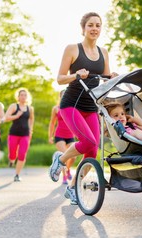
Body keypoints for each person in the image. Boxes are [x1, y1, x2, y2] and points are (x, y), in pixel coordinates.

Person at [49, 12, 118, 205]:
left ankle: (72, 188)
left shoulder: (103, 52)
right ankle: (60, 160)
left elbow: (103, 83)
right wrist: (76, 75)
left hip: (91, 107)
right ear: (83, 28)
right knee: (87, 142)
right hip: (71, 104)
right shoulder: (72, 49)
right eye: (90, 25)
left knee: (92, 150)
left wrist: (111, 78)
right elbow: (60, 78)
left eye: (98, 25)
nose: (94, 28)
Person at [2, 88, 34, 182]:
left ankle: (17, 174)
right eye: (21, 95)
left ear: (27, 97)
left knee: (22, 154)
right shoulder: (14, 106)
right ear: (18, 96)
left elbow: (31, 119)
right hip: (14, 133)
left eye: (25, 95)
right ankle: (12, 160)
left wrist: (31, 129)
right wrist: (16, 116)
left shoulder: (30, 108)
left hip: (25, 134)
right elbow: (6, 117)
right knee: (12, 153)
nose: (23, 97)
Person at [48, 90, 76, 185]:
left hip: (70, 135)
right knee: (65, 154)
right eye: (63, 95)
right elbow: (52, 123)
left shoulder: (72, 107)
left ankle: (67, 169)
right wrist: (50, 136)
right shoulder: (56, 108)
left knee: (73, 157)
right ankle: (64, 176)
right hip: (59, 135)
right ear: (60, 97)